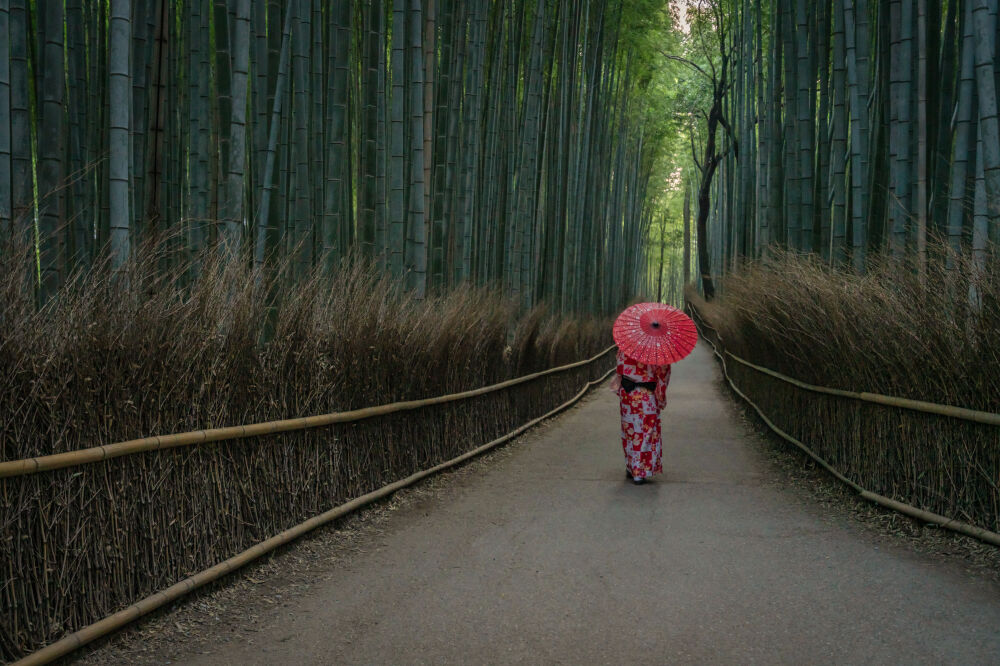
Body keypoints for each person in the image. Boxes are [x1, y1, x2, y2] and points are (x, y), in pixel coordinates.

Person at [610, 348, 671, 484]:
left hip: (628, 394)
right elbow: (663, 374)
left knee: (629, 431)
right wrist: (660, 397)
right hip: (646, 396)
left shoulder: (625, 348)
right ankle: (640, 470)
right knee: (646, 433)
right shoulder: (658, 351)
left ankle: (630, 465)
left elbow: (620, 369)